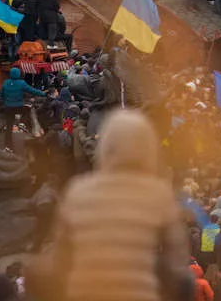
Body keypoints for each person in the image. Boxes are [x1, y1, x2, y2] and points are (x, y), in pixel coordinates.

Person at [37, 110, 190, 301]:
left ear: (105, 145)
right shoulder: (158, 194)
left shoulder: (77, 191)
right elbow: (177, 266)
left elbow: (61, 258)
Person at [0, 67, 44, 149]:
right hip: (19, 107)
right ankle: (22, 123)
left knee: (9, 127)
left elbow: (1, 95)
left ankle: (8, 146)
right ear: (19, 74)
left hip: (8, 108)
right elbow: (32, 90)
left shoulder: (5, 83)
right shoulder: (21, 83)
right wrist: (42, 93)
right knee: (28, 108)